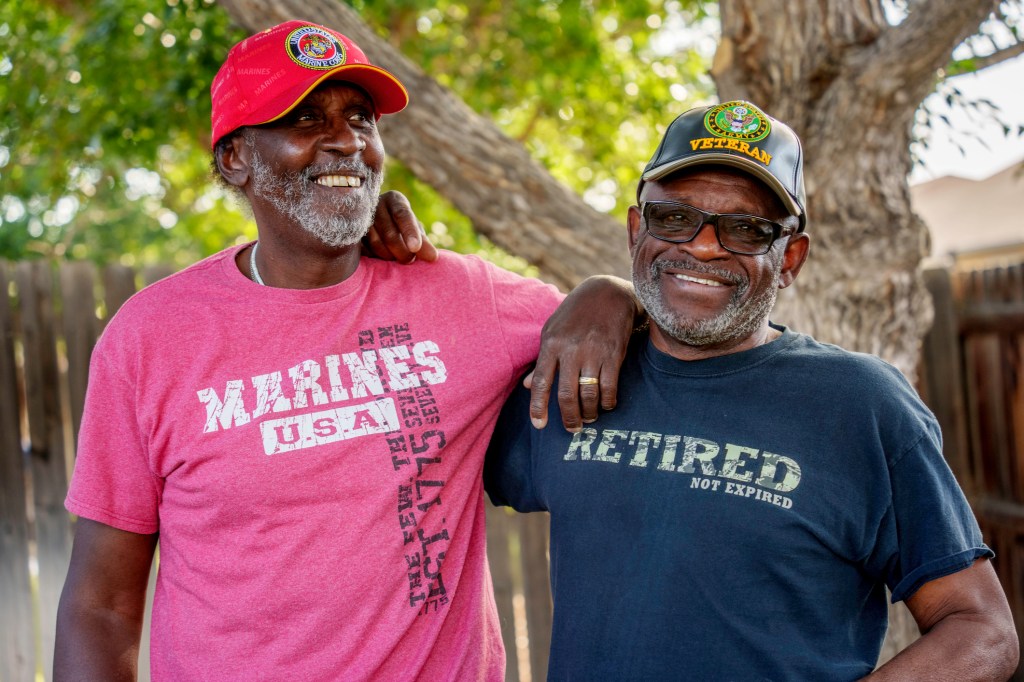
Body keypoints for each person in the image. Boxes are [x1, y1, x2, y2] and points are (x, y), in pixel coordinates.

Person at [54, 20, 642, 680]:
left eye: (361, 118)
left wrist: (613, 292)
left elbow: (649, 325)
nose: (346, 141)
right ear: (235, 158)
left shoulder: (465, 299)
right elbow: (100, 606)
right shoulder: (150, 339)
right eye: (305, 119)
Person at [485, 100, 1019, 680]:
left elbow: (981, 630)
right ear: (638, 229)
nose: (705, 246)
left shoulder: (861, 406)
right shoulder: (574, 374)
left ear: (790, 258)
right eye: (674, 218)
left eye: (746, 229)